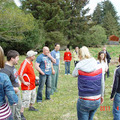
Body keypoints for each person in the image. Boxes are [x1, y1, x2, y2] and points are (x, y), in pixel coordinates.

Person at [72, 46, 104, 120]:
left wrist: (80, 63)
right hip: (97, 98)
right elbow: (102, 82)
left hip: (85, 100)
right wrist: (102, 95)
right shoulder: (99, 65)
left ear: (79, 55)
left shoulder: (79, 66)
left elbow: (74, 74)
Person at [0, 50, 21, 120]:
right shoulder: (5, 70)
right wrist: (14, 89)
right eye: (17, 58)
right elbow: (3, 85)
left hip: (15, 92)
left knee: (17, 108)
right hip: (11, 94)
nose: (18, 59)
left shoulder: (12, 66)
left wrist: (18, 81)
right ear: (12, 58)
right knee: (12, 110)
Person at [18, 50, 38, 120]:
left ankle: (31, 107)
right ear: (30, 57)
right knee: (25, 99)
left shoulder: (30, 62)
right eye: (33, 56)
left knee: (33, 97)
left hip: (32, 84)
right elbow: (20, 74)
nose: (34, 57)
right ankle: (21, 113)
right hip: (27, 86)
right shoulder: (24, 63)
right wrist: (24, 82)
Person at [110, 55, 120, 120]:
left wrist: (112, 95)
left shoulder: (117, 70)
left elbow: (115, 84)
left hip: (118, 94)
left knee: (117, 110)